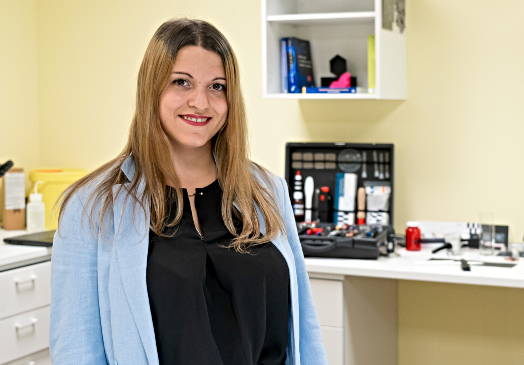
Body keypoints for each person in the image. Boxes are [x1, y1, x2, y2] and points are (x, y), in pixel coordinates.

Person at [49, 18, 328, 365]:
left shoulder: (267, 191)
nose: (201, 102)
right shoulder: (93, 206)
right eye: (182, 82)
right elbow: (76, 349)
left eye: (217, 86)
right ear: (152, 88)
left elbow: (303, 327)